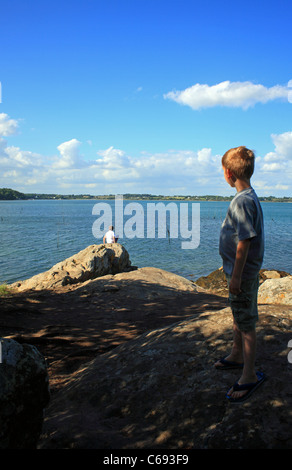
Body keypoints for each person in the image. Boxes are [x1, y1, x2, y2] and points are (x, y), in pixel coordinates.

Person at [215, 146, 266, 403]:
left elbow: (244, 241)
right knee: (239, 314)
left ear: (228, 173)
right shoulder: (248, 196)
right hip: (241, 272)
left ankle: (249, 375)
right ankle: (236, 355)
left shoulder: (242, 201)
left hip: (242, 274)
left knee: (246, 323)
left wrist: (236, 276)